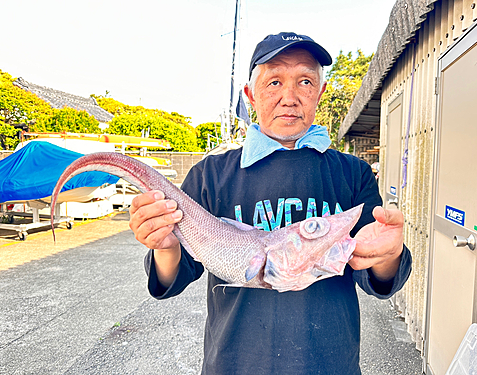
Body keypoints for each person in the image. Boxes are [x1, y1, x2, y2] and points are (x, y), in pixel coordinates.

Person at [129, 32, 411, 374]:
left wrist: (390, 255)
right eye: (274, 81)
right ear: (250, 95)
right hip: (235, 364)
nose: (289, 97)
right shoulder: (211, 175)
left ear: (319, 92)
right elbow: (174, 274)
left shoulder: (352, 174)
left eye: (305, 81)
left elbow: (375, 276)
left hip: (329, 364)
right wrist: (164, 245)